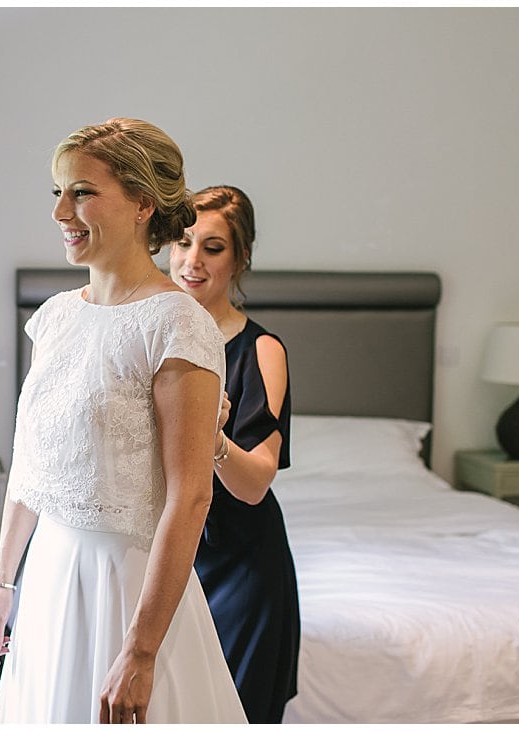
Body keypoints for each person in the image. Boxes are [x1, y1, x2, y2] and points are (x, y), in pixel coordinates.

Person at [0, 119, 247, 725]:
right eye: (57, 193)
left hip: (126, 587)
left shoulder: (177, 324)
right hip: (49, 578)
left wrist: (142, 651)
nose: (61, 212)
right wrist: (2, 581)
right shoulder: (53, 318)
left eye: (83, 192)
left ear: (144, 203)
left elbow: (192, 495)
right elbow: (34, 462)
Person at [169, 185, 301, 723]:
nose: (192, 261)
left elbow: (254, 485)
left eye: (213, 247)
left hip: (242, 567)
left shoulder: (261, 352)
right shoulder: (149, 338)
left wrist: (215, 439)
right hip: (165, 562)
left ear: (240, 258)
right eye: (182, 242)